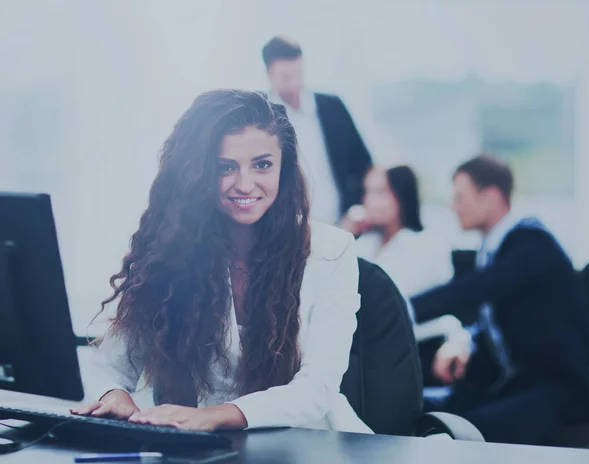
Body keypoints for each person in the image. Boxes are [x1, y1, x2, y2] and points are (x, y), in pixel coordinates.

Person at [71, 89, 371, 434]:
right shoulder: (170, 248)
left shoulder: (332, 250)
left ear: (283, 167)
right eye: (225, 167)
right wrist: (115, 395)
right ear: (196, 173)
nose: (245, 184)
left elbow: (316, 390)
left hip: (309, 441)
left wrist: (215, 415)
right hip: (200, 446)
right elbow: (110, 366)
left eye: (262, 165)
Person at [411, 154, 589, 445]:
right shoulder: (495, 248)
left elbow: (475, 288)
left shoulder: (532, 244)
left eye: (460, 196)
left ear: (491, 197)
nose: (453, 206)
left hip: (559, 393)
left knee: (461, 431)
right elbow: (495, 319)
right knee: (423, 412)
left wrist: (400, 308)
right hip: (519, 386)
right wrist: (464, 341)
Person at [341, 165, 472, 386]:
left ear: (402, 196)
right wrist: (344, 231)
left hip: (410, 353)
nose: (369, 201)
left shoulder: (427, 245)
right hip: (358, 353)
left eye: (380, 192)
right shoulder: (363, 244)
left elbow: (402, 308)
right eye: (367, 192)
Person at [262, 35, 372, 225]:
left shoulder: (333, 107)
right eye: (285, 77)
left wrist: (359, 210)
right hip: (286, 231)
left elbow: (363, 163)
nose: (294, 84)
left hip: (345, 226)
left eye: (298, 74)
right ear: (269, 74)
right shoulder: (262, 116)